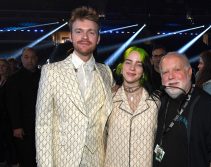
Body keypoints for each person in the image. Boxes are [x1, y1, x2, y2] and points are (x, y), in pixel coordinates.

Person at [35, 6, 114, 167]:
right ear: (70, 36)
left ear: (98, 38)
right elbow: (43, 125)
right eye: (79, 31)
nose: (85, 37)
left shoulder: (106, 72)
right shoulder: (51, 72)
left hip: (97, 160)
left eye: (91, 32)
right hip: (63, 160)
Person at [153, 52, 211, 167]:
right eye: (165, 72)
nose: (170, 76)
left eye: (176, 70)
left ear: (189, 72)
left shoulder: (207, 105)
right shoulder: (160, 102)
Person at [104, 46, 160, 167]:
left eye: (139, 64)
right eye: (128, 62)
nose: (132, 68)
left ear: (144, 70)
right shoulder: (108, 98)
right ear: (121, 66)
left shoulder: (155, 102)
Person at [5, 48, 40, 167]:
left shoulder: (44, 76)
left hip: (43, 124)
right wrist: (16, 126)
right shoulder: (14, 79)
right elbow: (12, 105)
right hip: (24, 127)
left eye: (33, 57)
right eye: (26, 57)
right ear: (21, 59)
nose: (30, 60)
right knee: (27, 157)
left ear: (37, 59)